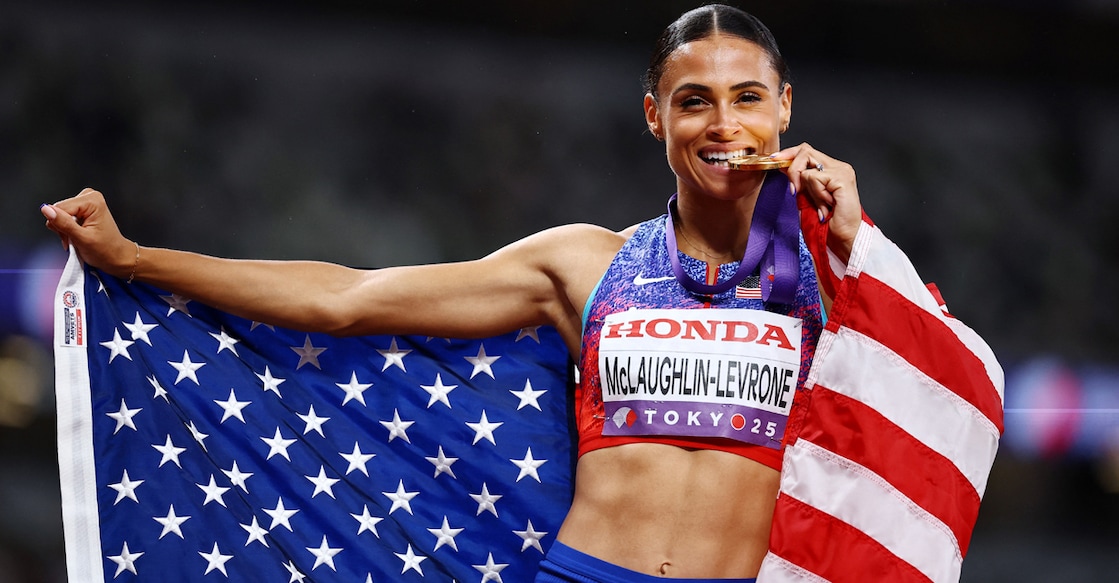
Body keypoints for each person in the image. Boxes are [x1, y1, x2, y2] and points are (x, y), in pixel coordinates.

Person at [43, 5, 866, 581]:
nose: (723, 123)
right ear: (655, 116)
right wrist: (136, 258)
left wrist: (854, 245)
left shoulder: (839, 278)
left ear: (784, 107)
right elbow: (349, 300)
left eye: (747, 97)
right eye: (694, 101)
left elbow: (937, 395)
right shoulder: (582, 265)